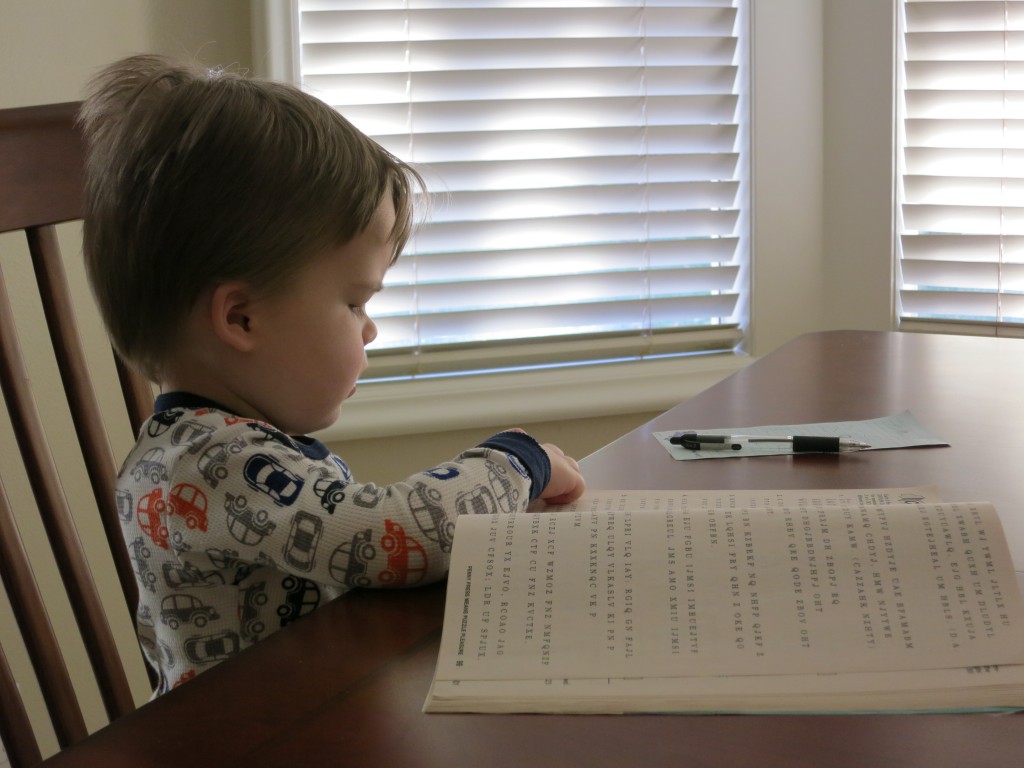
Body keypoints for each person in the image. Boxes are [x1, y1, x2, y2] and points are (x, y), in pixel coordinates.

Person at [79, 55, 586, 695]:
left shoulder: (223, 445)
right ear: (241, 317)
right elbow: (388, 535)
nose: (369, 328)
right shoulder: (208, 463)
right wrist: (517, 463)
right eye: (354, 303)